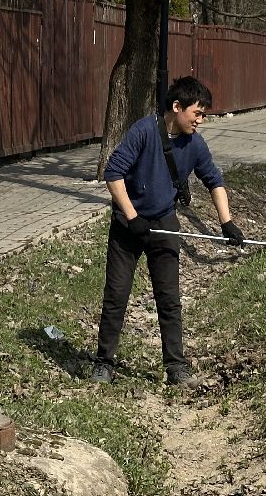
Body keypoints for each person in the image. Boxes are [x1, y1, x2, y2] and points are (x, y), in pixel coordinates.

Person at [92, 75, 243, 387]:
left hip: (163, 223)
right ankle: (104, 363)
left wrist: (227, 223)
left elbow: (214, 180)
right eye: (197, 113)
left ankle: (176, 367)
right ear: (177, 107)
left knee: (169, 298)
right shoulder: (144, 131)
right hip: (128, 224)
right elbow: (113, 173)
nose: (200, 121)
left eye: (204, 115)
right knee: (116, 295)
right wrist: (132, 217)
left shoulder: (195, 144)